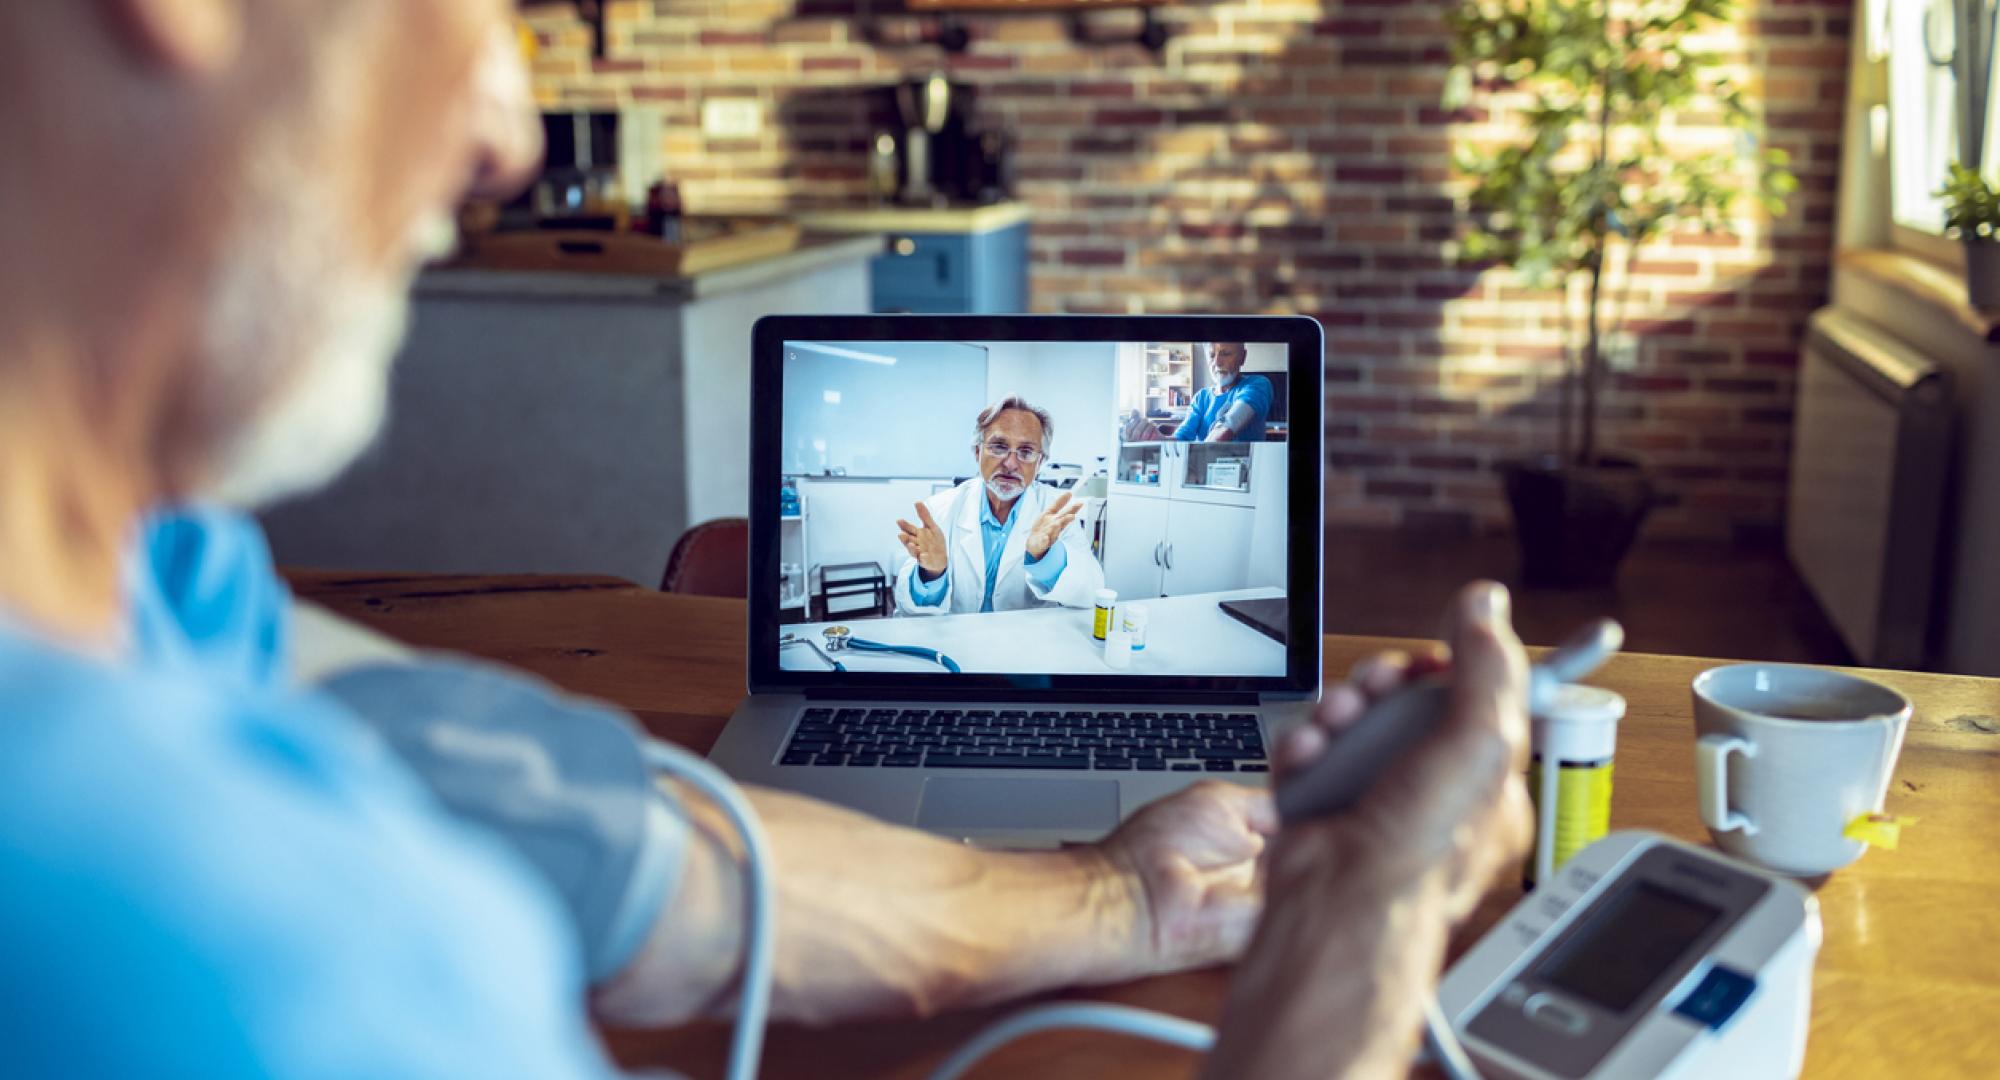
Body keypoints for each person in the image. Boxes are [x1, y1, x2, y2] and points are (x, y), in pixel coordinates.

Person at [0, 3, 1531, 1077]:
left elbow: (603, 838)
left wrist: (1129, 899)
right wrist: (1357, 937)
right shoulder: (218, 952)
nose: (508, 133)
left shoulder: (154, 588)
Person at [892, 396, 1106, 615]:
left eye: (1026, 452)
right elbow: (908, 612)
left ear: (1040, 461)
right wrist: (932, 574)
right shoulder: (939, 509)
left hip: (1028, 643)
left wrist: (1046, 558)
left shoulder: (1057, 513)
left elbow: (1092, 592)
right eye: (999, 447)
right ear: (978, 452)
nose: (1011, 463)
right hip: (957, 641)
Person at [1123, 341, 1275, 443]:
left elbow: (1228, 426)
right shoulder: (1200, 397)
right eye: (1211, 355)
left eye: (1226, 353)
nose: (1216, 362)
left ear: (1243, 357)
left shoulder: (1258, 384)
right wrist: (1156, 438)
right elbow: (1180, 439)